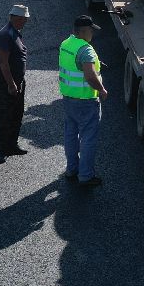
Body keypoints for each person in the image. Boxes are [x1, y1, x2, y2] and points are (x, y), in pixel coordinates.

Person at [59, 14, 109, 188]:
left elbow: (75, 65)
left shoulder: (66, 44)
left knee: (70, 134)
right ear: (84, 31)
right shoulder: (85, 49)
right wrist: (101, 90)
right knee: (88, 138)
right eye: (91, 31)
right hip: (85, 100)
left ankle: (71, 169)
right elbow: (89, 75)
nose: (92, 34)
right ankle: (86, 176)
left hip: (68, 98)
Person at [0, 5, 31, 160]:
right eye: (24, 19)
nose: (26, 21)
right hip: (6, 85)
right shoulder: (5, 35)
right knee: (3, 116)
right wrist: (11, 84)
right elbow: (3, 63)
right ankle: (1, 150)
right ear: (16, 18)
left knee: (16, 114)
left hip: (17, 82)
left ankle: (12, 145)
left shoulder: (15, 32)